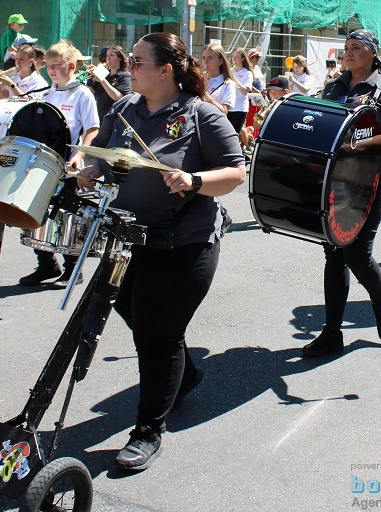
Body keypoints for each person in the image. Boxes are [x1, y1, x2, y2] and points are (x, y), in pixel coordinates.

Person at [79, 32, 245, 472]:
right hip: (130, 236)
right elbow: (108, 157)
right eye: (130, 61)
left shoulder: (202, 116)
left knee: (157, 334)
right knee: (131, 311)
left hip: (184, 243)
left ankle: (148, 430)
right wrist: (91, 169)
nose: (128, 69)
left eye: (137, 62)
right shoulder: (123, 110)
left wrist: (193, 181)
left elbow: (235, 174)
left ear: (165, 70)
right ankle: (185, 374)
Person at [302, 29, 381, 355]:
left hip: (370, 184)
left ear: (373, 53)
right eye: (346, 48)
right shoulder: (333, 87)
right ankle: (332, 332)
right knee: (334, 254)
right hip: (335, 182)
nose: (349, 52)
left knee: (357, 253)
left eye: (356, 47)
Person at [18, 41, 100, 288]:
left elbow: (92, 128)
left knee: (65, 216)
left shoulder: (82, 94)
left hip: (68, 165)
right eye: (49, 66)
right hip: (42, 162)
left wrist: (79, 154)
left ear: (72, 66)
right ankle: (46, 264)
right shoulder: (46, 93)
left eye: (57, 66)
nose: (51, 70)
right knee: (36, 213)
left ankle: (74, 268)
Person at [87, 45, 133, 120]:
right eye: (107, 55)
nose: (107, 58)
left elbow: (117, 97)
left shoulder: (126, 76)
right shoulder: (104, 74)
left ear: (120, 58)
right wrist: (91, 78)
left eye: (111, 55)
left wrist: (102, 80)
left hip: (115, 118)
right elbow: (91, 92)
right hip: (100, 115)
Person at [228, 47, 255, 148]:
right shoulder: (231, 71)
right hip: (229, 105)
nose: (234, 59)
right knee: (228, 132)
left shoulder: (247, 73)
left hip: (240, 107)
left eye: (237, 57)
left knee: (235, 132)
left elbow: (245, 90)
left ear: (243, 58)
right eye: (233, 57)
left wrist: (234, 79)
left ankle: (240, 149)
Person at [201, 44, 236, 114]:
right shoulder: (199, 79)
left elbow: (224, 111)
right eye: (204, 57)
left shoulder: (228, 84)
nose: (205, 61)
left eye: (210, 58)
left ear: (220, 61)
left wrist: (203, 91)